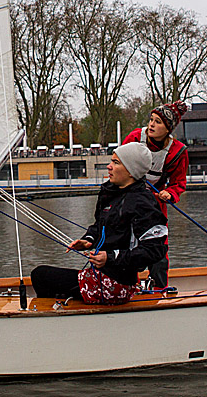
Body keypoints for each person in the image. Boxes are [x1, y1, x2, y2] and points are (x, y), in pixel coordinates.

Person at [30, 142, 168, 305]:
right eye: (111, 161)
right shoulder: (112, 194)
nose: (109, 167)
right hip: (101, 276)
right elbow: (99, 227)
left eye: (116, 163)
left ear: (131, 171)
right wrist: (88, 240)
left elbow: (155, 250)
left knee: (40, 276)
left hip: (116, 285)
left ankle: (48, 319)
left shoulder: (142, 202)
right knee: (43, 277)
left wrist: (110, 258)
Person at [121, 101, 189, 289]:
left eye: (158, 122)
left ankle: (160, 291)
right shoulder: (135, 137)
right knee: (127, 246)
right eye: (151, 120)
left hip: (155, 205)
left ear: (168, 129)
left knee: (158, 249)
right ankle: (128, 288)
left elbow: (179, 183)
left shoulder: (178, 151)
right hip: (128, 200)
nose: (151, 125)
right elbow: (118, 163)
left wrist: (170, 193)